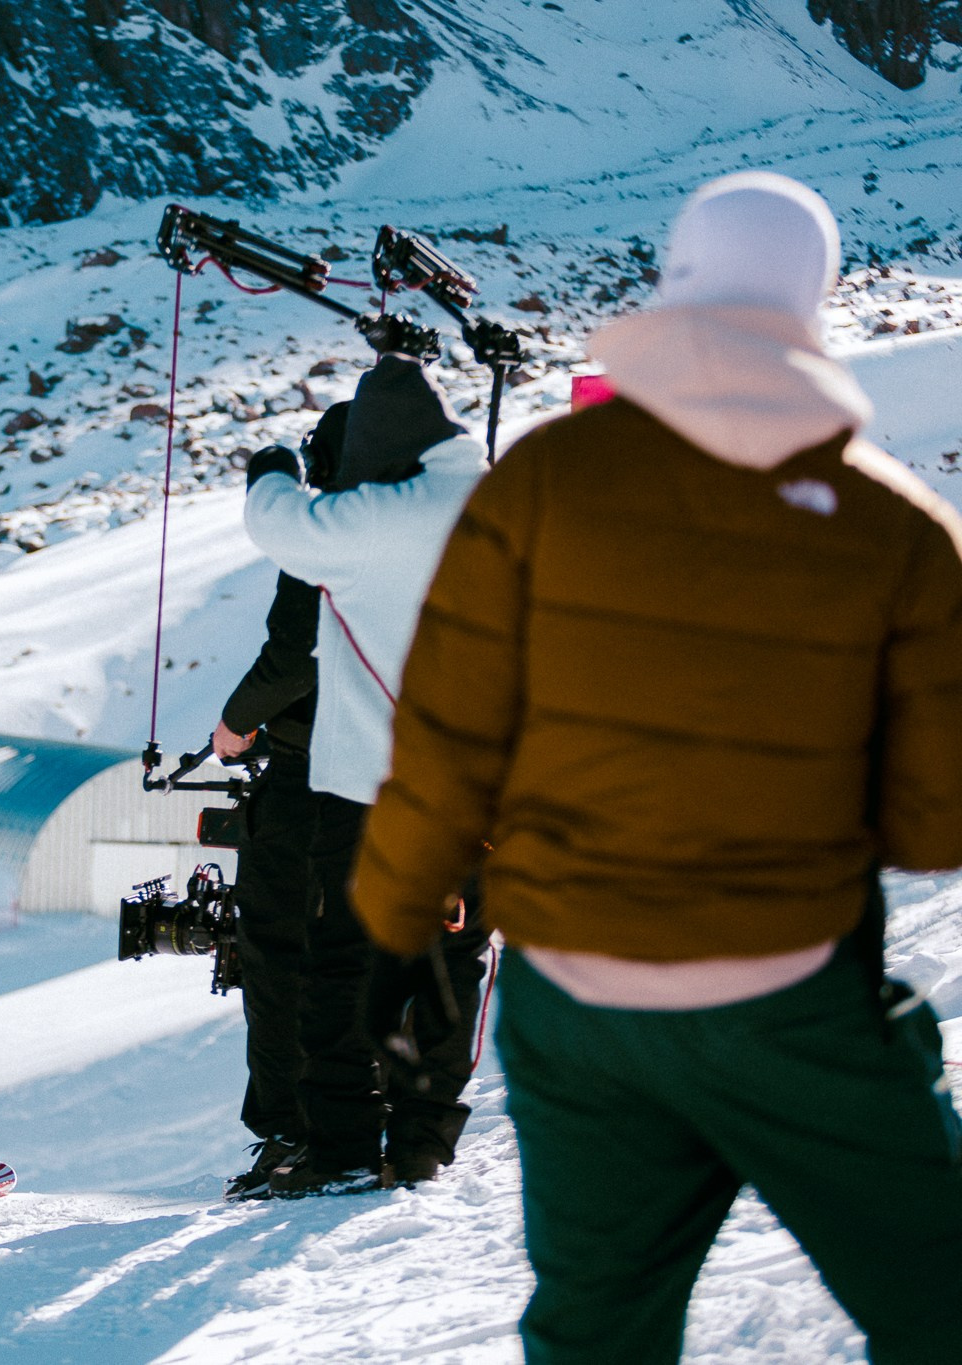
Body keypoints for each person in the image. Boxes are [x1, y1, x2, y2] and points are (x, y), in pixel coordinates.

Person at [350, 172, 962, 1365]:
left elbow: (445, 732)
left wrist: (392, 921)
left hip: (573, 1004)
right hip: (786, 998)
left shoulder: (542, 479)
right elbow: (936, 822)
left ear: (673, 280)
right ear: (812, 298)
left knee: (594, 1331)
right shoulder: (893, 525)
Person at [241, 353, 489, 1195]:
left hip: (362, 790)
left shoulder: (370, 518)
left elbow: (275, 519)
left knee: (342, 964)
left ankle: (342, 1147)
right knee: (451, 967)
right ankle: (421, 1142)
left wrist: (274, 463)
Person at [208, 420, 329, 1200]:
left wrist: (235, 723)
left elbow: (293, 656)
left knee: (278, 954)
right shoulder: (431, 524)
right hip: (399, 774)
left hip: (307, 779)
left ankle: (289, 1132)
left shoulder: (325, 536)